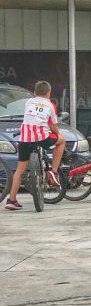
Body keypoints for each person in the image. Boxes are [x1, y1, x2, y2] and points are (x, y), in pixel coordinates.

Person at [4, 80, 65, 210]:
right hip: (42, 137)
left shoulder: (28, 102)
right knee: (62, 140)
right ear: (49, 93)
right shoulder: (50, 105)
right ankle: (53, 171)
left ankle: (11, 200)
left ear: (34, 92)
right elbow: (52, 125)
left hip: (25, 138)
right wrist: (57, 133)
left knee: (20, 169)